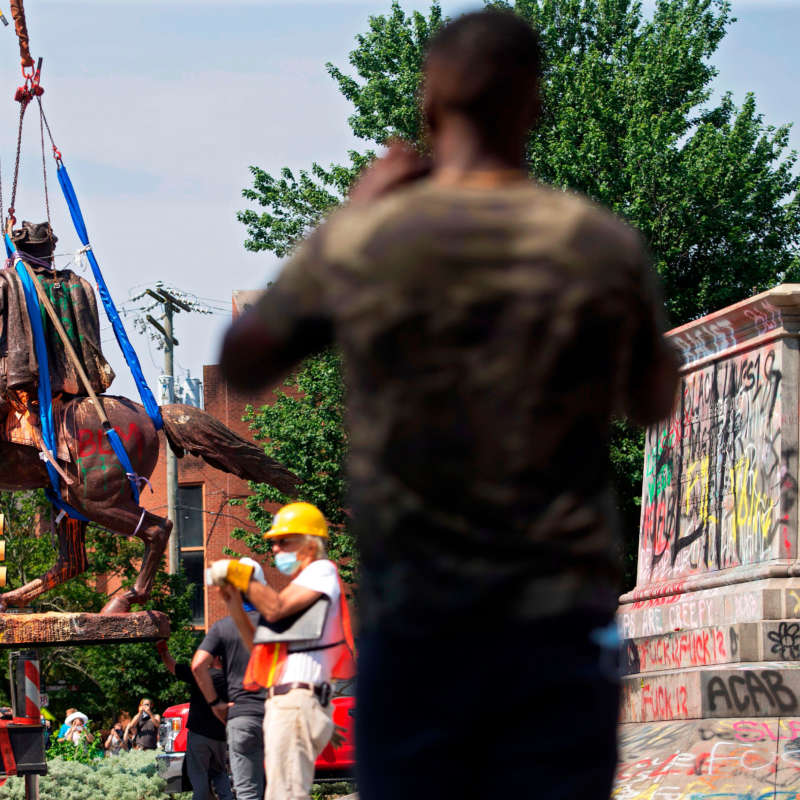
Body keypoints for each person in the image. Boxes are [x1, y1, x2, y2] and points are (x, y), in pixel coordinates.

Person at [218, 10, 680, 799]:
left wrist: (350, 218)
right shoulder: (594, 244)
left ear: (430, 107)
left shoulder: (374, 241)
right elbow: (654, 397)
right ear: (534, 103)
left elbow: (245, 358)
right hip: (556, 614)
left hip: (423, 614)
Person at [0, 220, 115, 505]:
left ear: (22, 250)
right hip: (70, 375)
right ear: (49, 251)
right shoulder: (74, 283)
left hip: (18, 369)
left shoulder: (12, 280)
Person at [208, 504, 352, 800]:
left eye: (284, 540)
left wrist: (241, 575)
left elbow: (275, 608)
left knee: (285, 796)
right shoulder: (301, 588)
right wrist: (234, 602)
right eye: (273, 541)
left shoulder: (320, 571)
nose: (275, 547)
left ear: (311, 542)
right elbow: (259, 650)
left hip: (296, 701)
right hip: (290, 702)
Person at [196, 558, 269, 800]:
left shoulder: (222, 627)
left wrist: (216, 703)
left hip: (241, 716)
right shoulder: (277, 623)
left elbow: (198, 666)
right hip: (276, 713)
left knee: (247, 793)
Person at [155, 640, 233, 800]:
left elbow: (173, 667)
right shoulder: (230, 678)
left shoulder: (200, 674)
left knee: (199, 778)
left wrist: (163, 651)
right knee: (219, 774)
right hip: (220, 738)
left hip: (199, 736)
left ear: (215, 657)